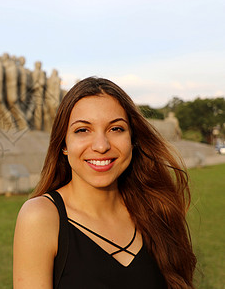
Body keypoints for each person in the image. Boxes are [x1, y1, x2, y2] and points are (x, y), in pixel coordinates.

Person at [13, 77, 196, 288]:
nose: (101, 146)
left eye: (116, 129)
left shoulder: (157, 208)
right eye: (82, 130)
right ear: (63, 144)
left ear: (133, 140)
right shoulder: (41, 217)